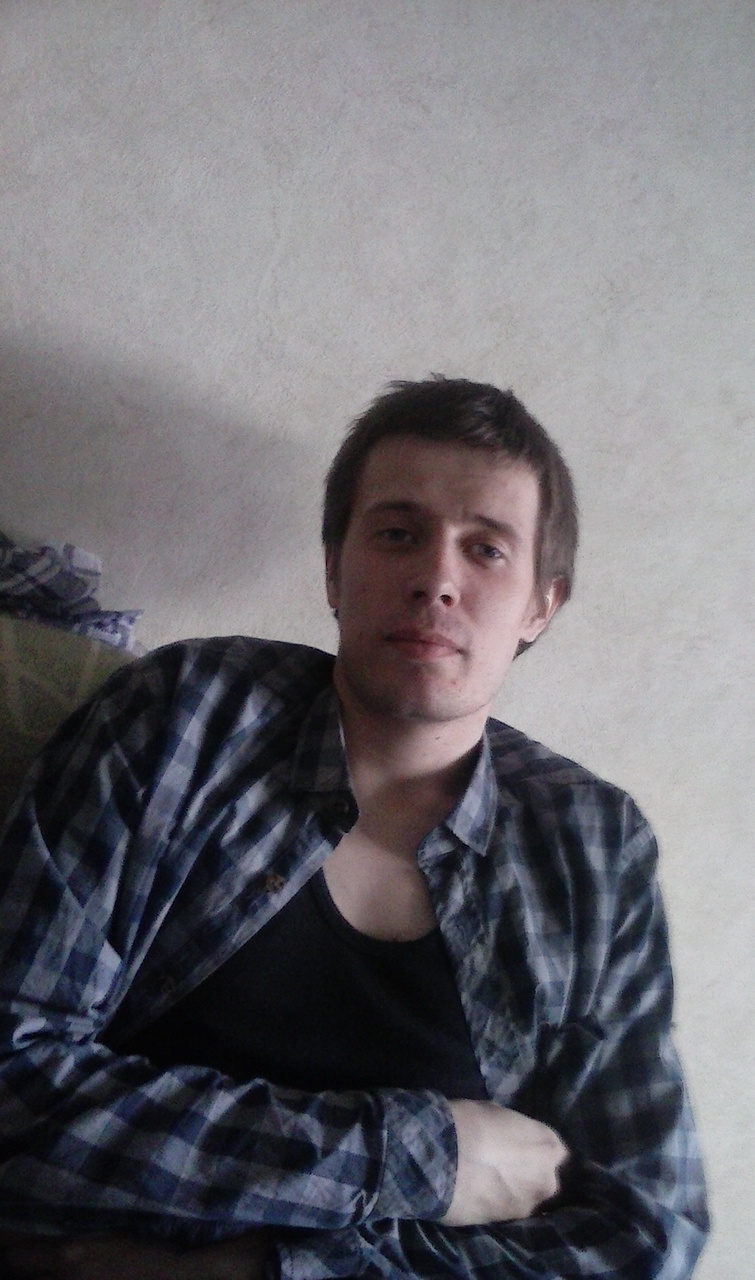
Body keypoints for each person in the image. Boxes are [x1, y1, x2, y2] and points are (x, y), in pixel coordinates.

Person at [0, 378, 709, 1279]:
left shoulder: (593, 850)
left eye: (486, 549)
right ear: (335, 569)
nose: (436, 580)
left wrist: (255, 1271)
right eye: (398, 534)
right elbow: (13, 1083)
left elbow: (643, 1232)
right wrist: (410, 1157)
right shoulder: (178, 719)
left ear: (541, 603)